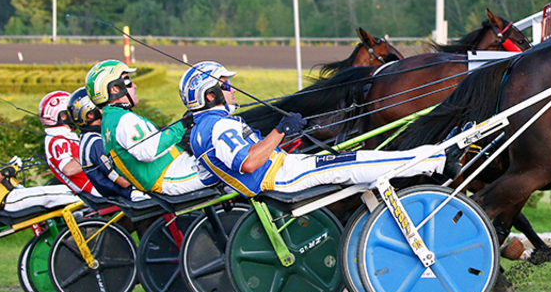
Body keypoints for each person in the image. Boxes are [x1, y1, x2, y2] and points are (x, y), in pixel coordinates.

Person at [178, 61, 461, 197]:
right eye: (226, 85)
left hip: (282, 169)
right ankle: (438, 160)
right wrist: (280, 131)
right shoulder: (218, 126)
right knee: (355, 162)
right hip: (280, 178)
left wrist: (281, 135)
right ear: (210, 95)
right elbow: (249, 162)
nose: (232, 90)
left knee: (356, 159)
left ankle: (435, 156)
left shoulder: (208, 126)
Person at [86, 60, 216, 195]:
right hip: (171, 176)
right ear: (114, 89)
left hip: (173, 170)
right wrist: (182, 126)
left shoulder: (111, 120)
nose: (134, 86)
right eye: (127, 82)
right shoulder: (123, 120)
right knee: (230, 164)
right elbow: (148, 151)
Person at [67, 87, 137, 200]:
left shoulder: (88, 138)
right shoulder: (96, 143)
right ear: (90, 114)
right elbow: (124, 182)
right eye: (102, 106)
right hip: (132, 195)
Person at [38, 90, 98, 195]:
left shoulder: (63, 136)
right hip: (92, 189)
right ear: (63, 116)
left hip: (96, 183)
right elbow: (68, 169)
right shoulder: (58, 140)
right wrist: (93, 153)